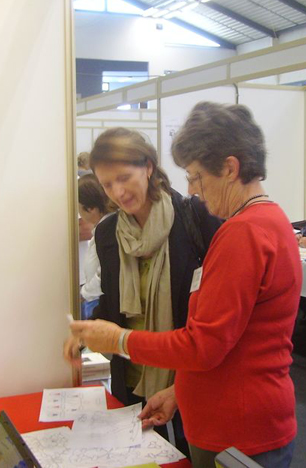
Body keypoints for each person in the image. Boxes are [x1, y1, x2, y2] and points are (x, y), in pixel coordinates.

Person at [68, 102, 302, 468]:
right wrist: (182, 390)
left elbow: (202, 344)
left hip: (235, 424)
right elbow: (229, 337)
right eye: (107, 184)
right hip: (230, 414)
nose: (192, 188)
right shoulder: (266, 220)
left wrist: (119, 340)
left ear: (230, 168)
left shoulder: (241, 232)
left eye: (195, 176)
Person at [65, 127, 221, 454]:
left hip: (189, 376)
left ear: (148, 167)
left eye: (125, 178)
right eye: (108, 184)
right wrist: (85, 333)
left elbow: (217, 308)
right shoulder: (108, 233)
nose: (118, 192)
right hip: (132, 376)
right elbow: (111, 304)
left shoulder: (195, 218)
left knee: (195, 455)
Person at [78, 173, 116, 319]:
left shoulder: (107, 230)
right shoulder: (103, 229)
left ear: (90, 208)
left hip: (98, 300)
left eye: (79, 208)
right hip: (95, 297)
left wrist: (84, 294)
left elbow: (105, 274)